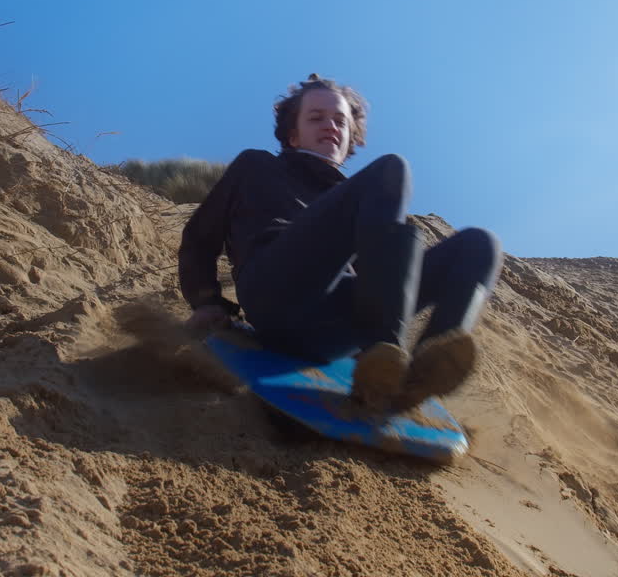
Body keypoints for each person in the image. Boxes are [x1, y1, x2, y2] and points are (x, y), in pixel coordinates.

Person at [178, 74, 501, 411]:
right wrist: (206, 301)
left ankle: (416, 378)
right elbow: (200, 238)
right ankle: (385, 349)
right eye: (316, 118)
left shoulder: (368, 203)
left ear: (350, 140)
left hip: (329, 332)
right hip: (274, 293)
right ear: (292, 134)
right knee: (392, 169)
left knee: (480, 244)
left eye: (340, 121)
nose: (330, 126)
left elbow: (378, 275)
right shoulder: (257, 166)